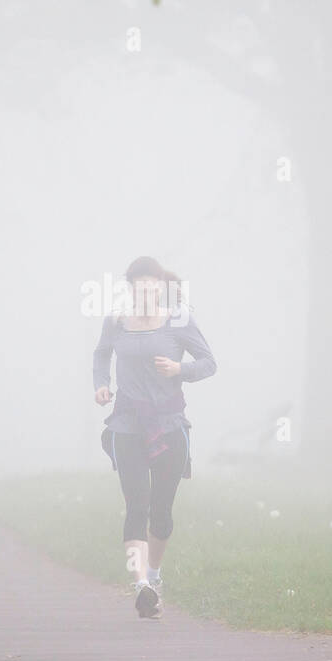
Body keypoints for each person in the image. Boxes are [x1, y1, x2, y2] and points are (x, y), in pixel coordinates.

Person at [93, 256, 216, 619]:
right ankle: (141, 586)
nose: (145, 291)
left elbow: (209, 362)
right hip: (127, 426)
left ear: (160, 288)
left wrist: (181, 368)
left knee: (161, 513)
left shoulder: (179, 322)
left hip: (169, 426)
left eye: (151, 284)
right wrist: (102, 385)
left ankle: (154, 576)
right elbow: (100, 355)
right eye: (138, 285)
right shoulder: (116, 322)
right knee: (137, 505)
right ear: (130, 288)